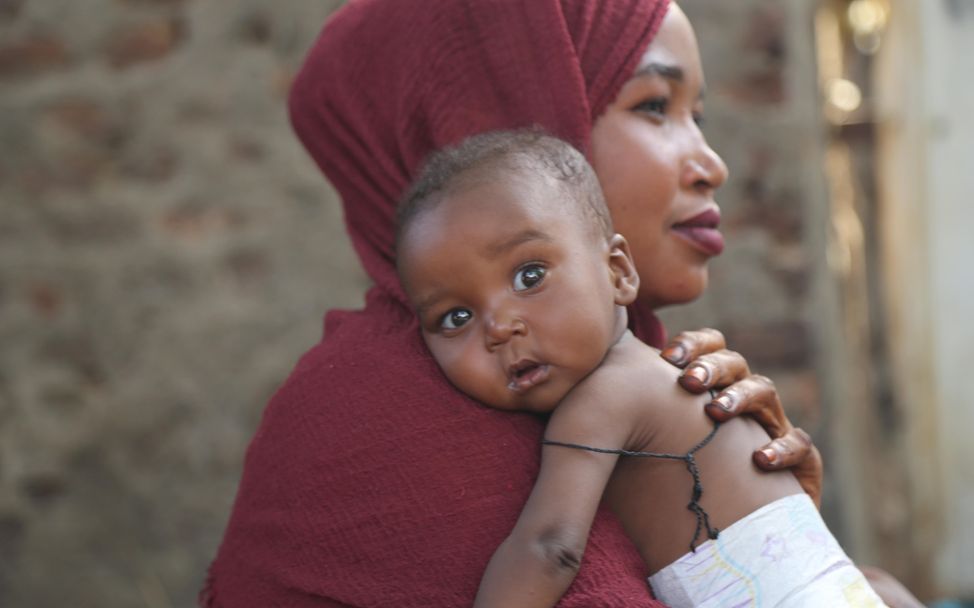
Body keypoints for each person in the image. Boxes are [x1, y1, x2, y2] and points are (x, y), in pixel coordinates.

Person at [202, 1, 854, 606]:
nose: (711, 163)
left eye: (697, 115)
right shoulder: (368, 427)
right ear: (498, 113)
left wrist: (789, 521)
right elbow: (552, 551)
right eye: (654, 105)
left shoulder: (628, 378)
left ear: (617, 269)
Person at [395, 129, 888, 607]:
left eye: (529, 275)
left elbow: (550, 549)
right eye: (455, 317)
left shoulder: (607, 396)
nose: (499, 327)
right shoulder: (659, 379)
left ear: (618, 272)